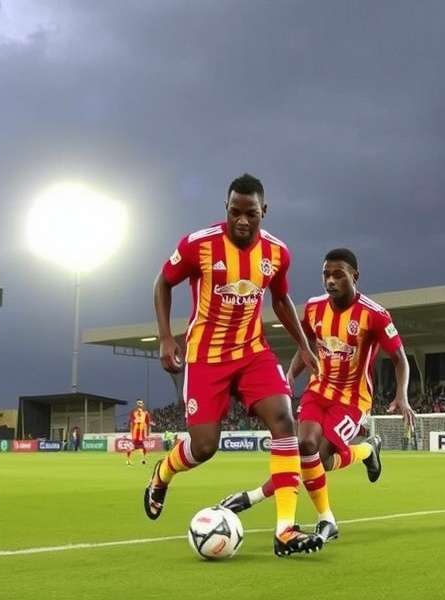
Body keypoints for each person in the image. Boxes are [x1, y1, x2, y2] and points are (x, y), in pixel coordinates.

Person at [143, 173, 323, 557]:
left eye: (251, 214)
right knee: (205, 446)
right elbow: (163, 282)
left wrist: (304, 346)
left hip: (252, 352)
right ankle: (162, 474)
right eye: (235, 212)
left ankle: (285, 530)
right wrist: (165, 336)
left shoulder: (277, 253)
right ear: (225, 207)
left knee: (284, 421)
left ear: (264, 212)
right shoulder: (198, 245)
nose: (242, 221)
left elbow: (280, 300)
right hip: (206, 357)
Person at [219, 248, 414, 542]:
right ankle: (364, 456)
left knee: (318, 461)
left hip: (351, 400)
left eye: (338, 275)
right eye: (326, 274)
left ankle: (253, 497)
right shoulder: (313, 308)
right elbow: (307, 347)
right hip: (317, 390)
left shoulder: (374, 315)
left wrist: (402, 395)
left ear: (354, 276)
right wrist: (290, 376)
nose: (330, 281)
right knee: (305, 446)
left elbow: (400, 358)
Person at [127, 399, 151, 465]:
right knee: (134, 447)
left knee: (143, 448)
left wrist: (148, 433)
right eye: (138, 403)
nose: (139, 405)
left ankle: (143, 459)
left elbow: (148, 422)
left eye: (141, 403)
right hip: (135, 434)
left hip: (141, 434)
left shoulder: (145, 413)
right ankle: (129, 460)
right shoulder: (133, 412)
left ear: (143, 404)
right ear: (137, 404)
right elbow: (131, 421)